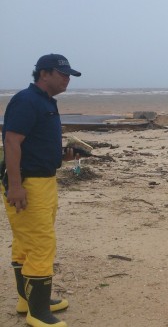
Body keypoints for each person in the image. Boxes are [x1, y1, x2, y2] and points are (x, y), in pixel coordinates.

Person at [2, 54, 81, 327]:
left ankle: (28, 300)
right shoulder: (26, 100)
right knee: (41, 243)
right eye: (63, 74)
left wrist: (63, 157)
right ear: (44, 73)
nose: (67, 78)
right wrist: (15, 186)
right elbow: (12, 142)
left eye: (69, 74)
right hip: (27, 184)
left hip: (45, 181)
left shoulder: (45, 102)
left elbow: (34, 144)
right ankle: (38, 313)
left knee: (28, 242)